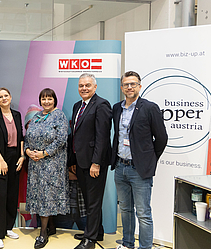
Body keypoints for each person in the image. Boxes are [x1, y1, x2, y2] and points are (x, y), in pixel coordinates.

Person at [111, 71, 167, 249]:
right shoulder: (117, 108)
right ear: (122, 88)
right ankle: (127, 244)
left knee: (143, 213)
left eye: (133, 84)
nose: (129, 87)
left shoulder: (149, 108)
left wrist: (149, 159)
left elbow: (162, 138)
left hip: (139, 170)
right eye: (126, 84)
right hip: (120, 167)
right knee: (126, 210)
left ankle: (145, 247)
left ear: (139, 86)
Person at [24, 88, 70, 249]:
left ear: (54, 100)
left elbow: (61, 140)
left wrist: (44, 153)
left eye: (49, 98)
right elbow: (27, 137)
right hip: (35, 163)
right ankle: (51, 227)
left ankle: (43, 234)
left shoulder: (59, 116)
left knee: (46, 197)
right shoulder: (37, 116)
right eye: (43, 99)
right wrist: (28, 151)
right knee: (39, 195)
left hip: (51, 164)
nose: (46, 101)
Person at [71, 73, 112, 249]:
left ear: (95, 87)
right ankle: (97, 231)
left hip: (94, 164)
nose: (84, 88)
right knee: (89, 201)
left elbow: (102, 137)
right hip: (81, 162)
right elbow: (76, 135)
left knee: (94, 202)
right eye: (81, 85)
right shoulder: (77, 106)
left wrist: (96, 163)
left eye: (88, 85)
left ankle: (90, 239)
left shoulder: (102, 105)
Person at [0, 87, 25, 248]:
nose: (3, 98)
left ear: (10, 97)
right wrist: (1, 161)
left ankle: (8, 228)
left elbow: (21, 137)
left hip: (15, 158)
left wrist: (22, 156)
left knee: (11, 196)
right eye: (0, 96)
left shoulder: (16, 115)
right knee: (0, 198)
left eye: (6, 95)